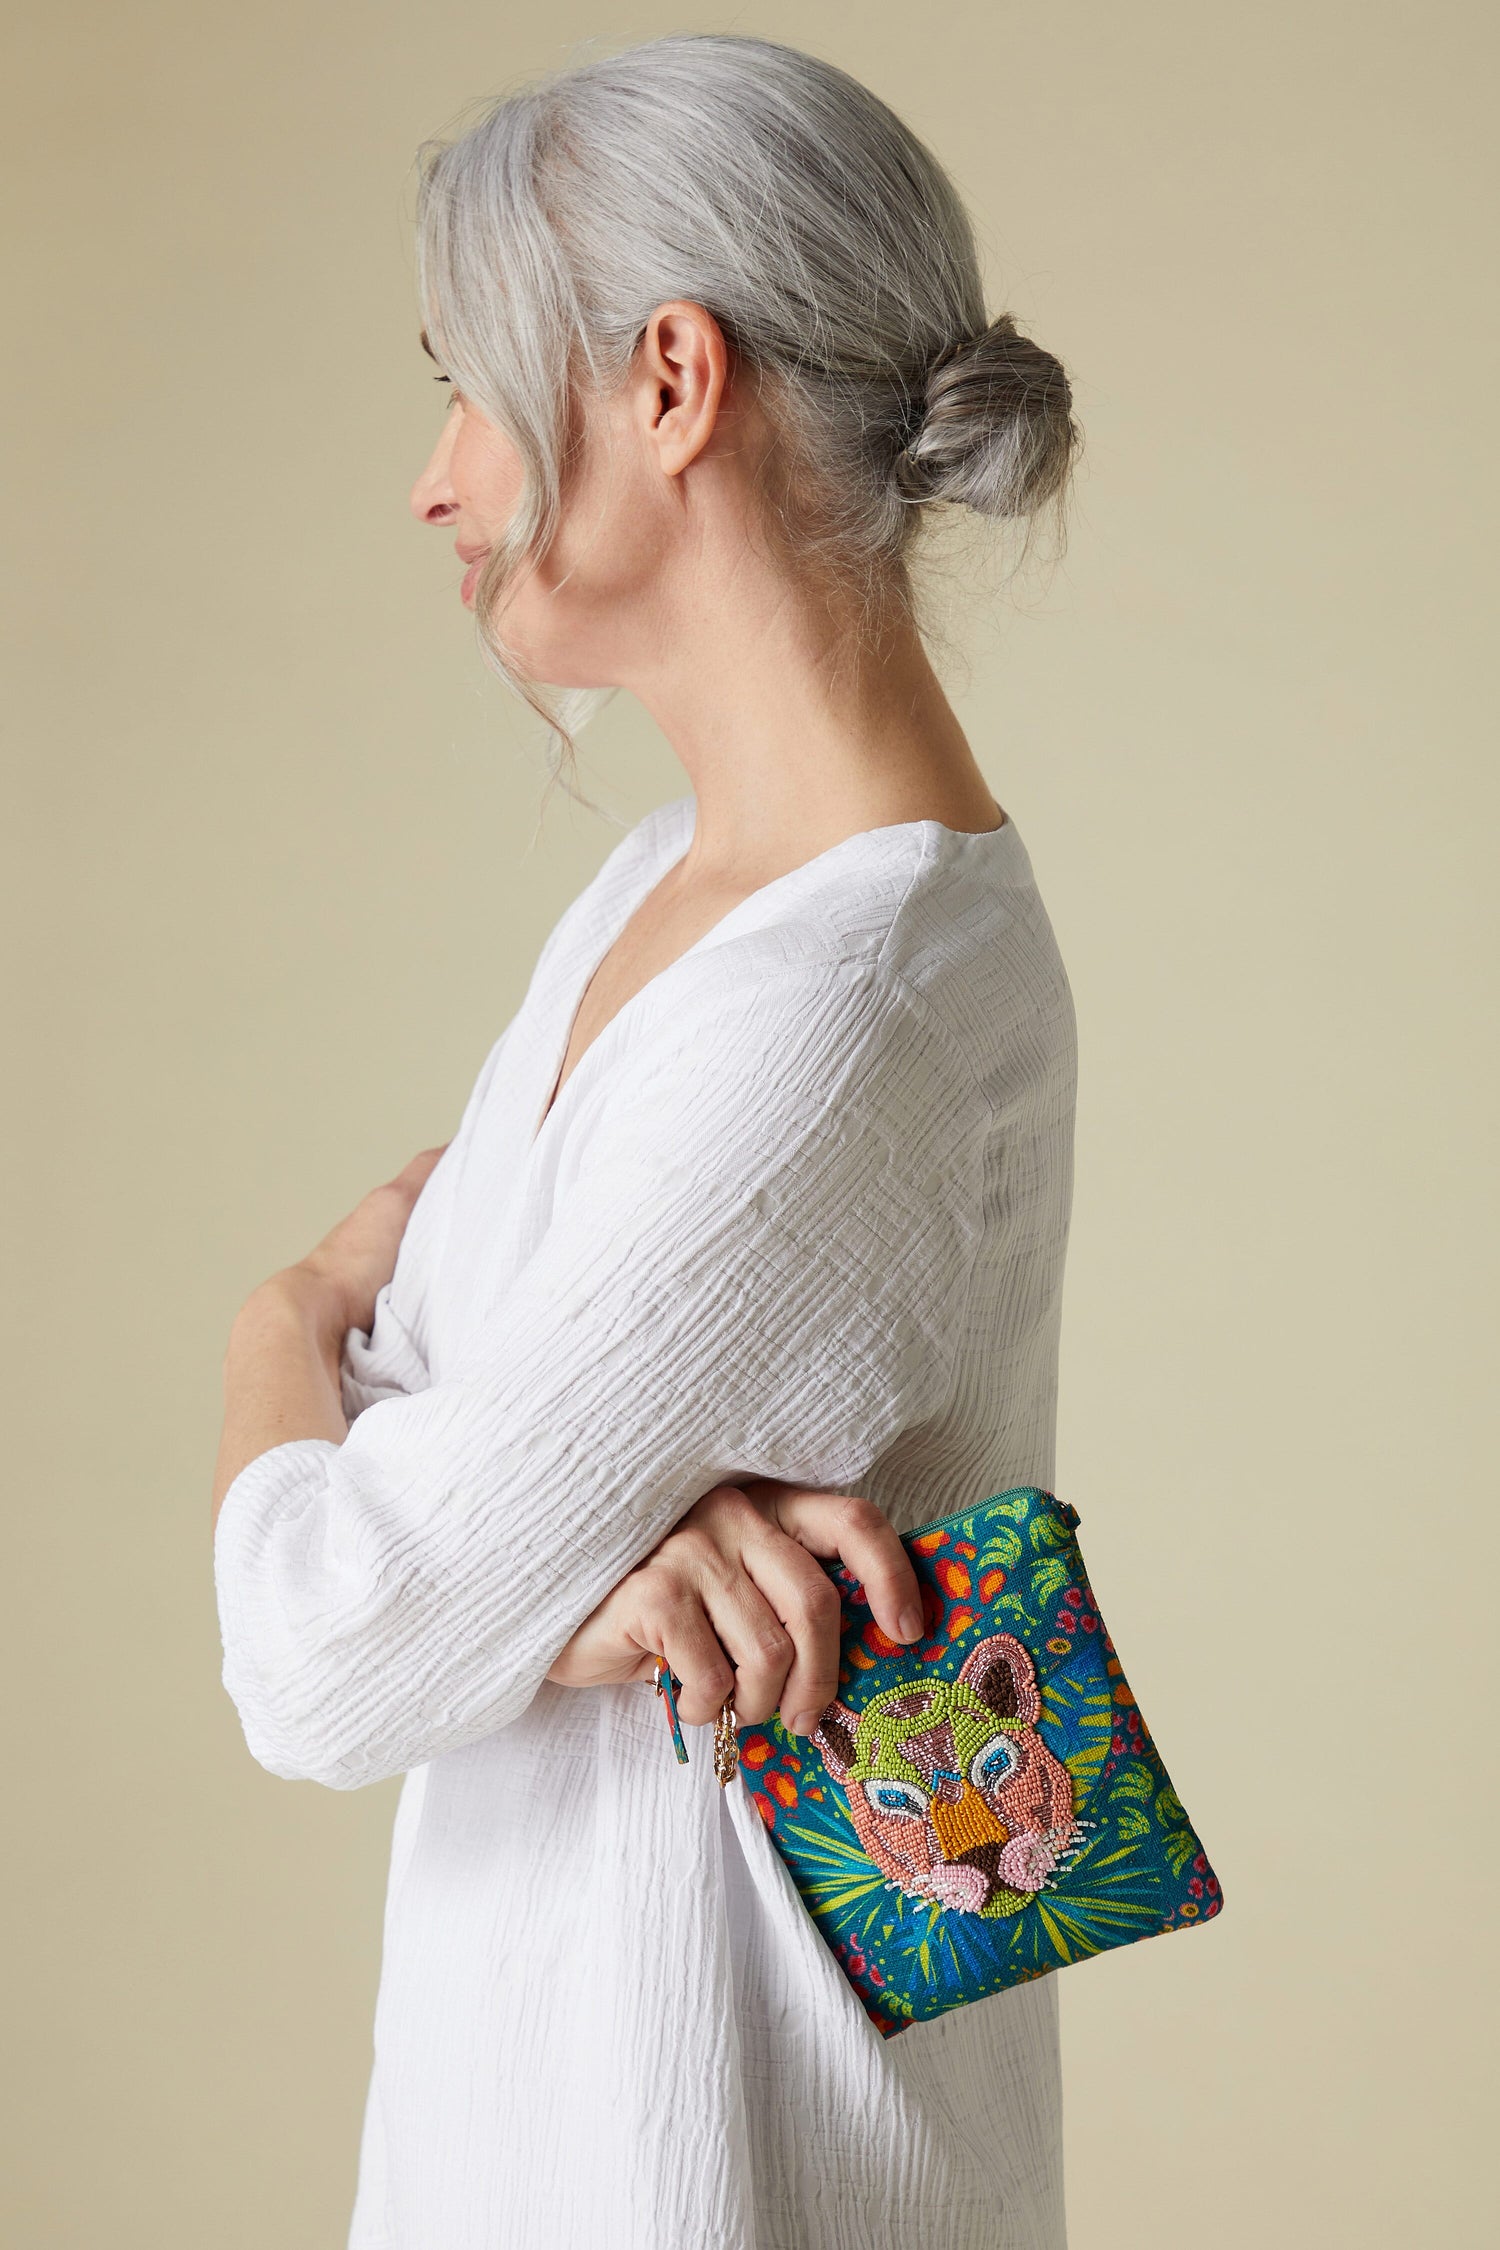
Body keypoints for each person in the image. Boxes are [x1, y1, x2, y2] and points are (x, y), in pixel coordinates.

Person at [212, 31, 1081, 2250]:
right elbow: (432, 1473)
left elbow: (329, 1638)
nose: (439, 477)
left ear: (672, 382)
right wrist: (569, 1569)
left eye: (474, 381)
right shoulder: (665, 900)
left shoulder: (838, 1007)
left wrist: (283, 1316)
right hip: (549, 2118)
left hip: (706, 2166)